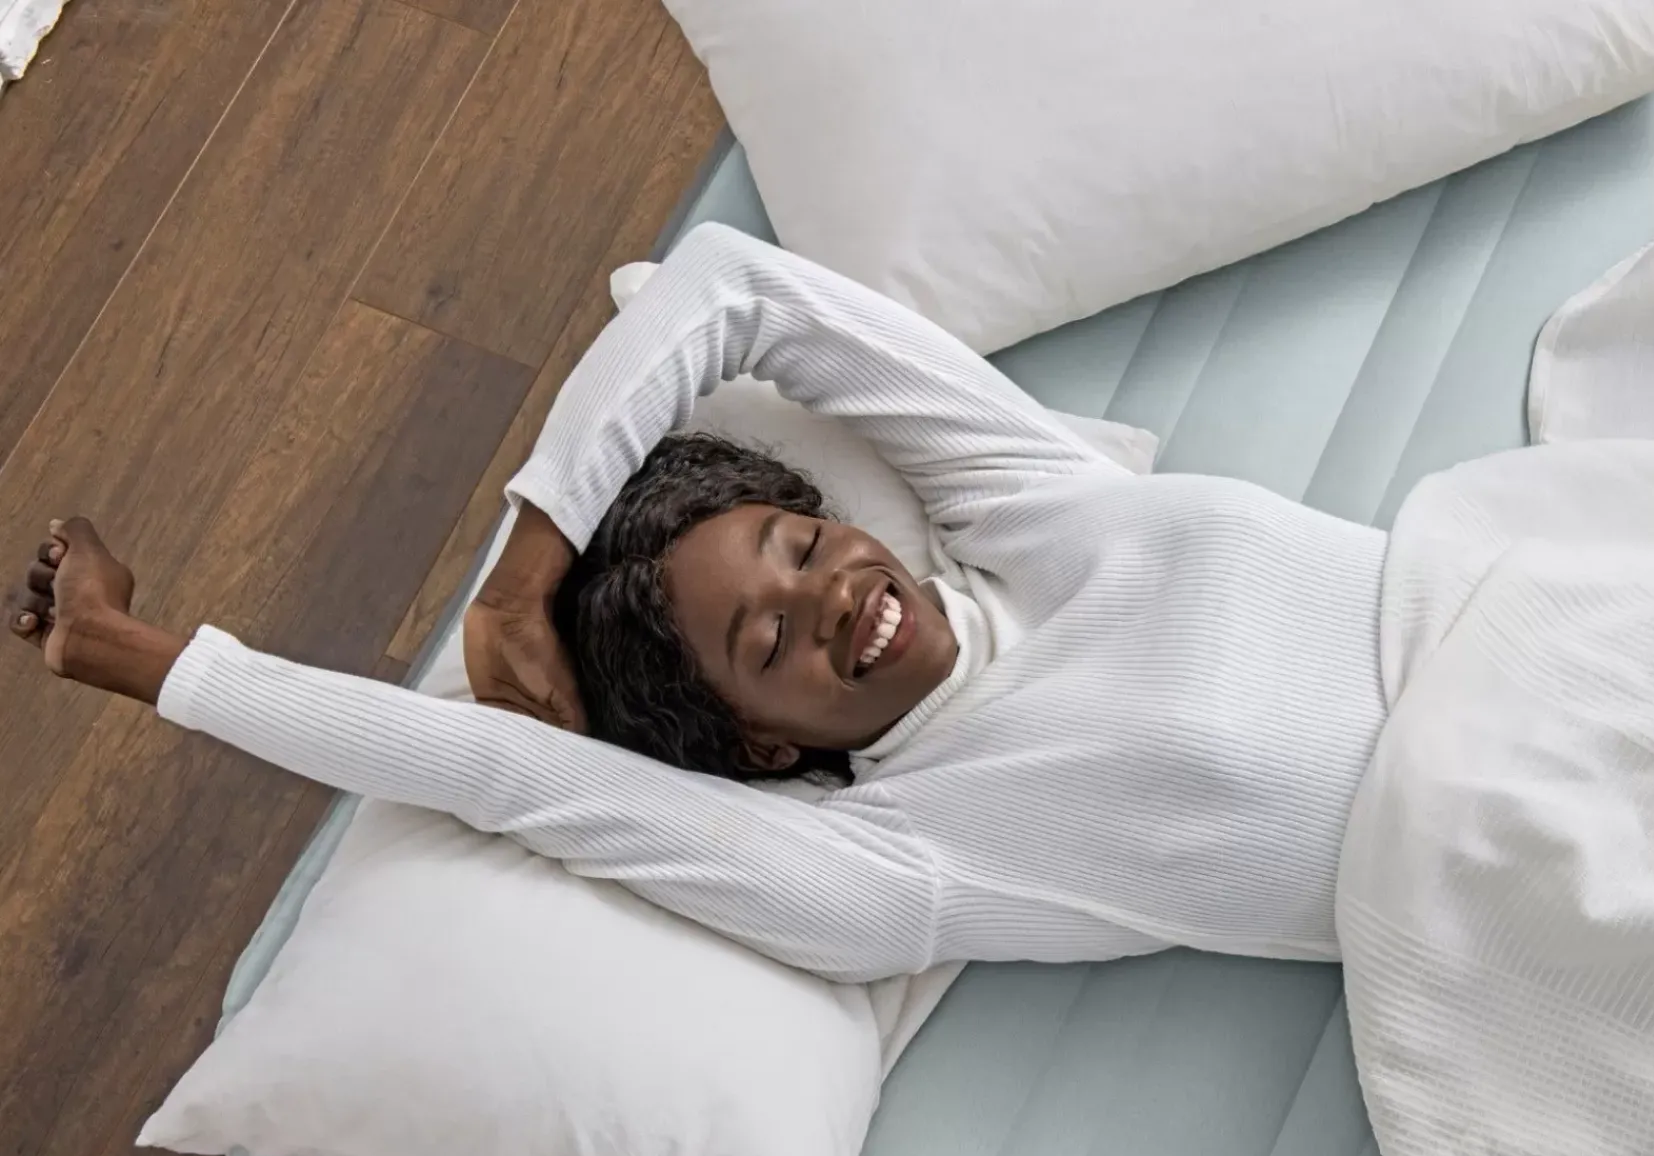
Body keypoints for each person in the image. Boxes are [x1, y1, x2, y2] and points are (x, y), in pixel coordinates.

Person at [7, 223, 1388, 983]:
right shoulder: (907, 860)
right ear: (762, 745)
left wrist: (523, 575)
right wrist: (142, 654)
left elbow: (730, 284)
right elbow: (504, 775)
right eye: (770, 640)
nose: (834, 596)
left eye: (804, 543)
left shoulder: (1025, 503)